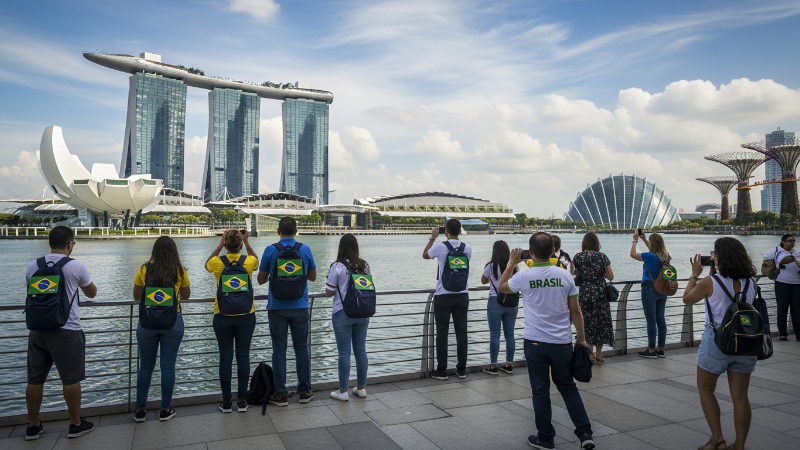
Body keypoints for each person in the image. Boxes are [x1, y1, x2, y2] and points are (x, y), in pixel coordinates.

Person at [499, 232, 594, 450]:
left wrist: (512, 262)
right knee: (568, 388)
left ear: (530, 252)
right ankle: (585, 433)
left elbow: (502, 287)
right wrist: (581, 339)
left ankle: (546, 438)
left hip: (535, 343)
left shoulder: (524, 276)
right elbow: (576, 311)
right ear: (553, 251)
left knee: (540, 391)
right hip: (562, 342)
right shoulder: (564, 275)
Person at [683, 237, 758, 450]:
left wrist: (694, 275)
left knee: (706, 389)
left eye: (714, 253)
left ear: (721, 257)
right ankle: (740, 446)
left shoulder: (709, 282)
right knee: (741, 397)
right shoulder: (751, 281)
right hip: (745, 342)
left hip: (717, 341)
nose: (711, 256)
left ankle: (718, 439)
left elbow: (687, 298)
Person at [25, 226, 98, 440]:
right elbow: (92, 293)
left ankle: (33, 426)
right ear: (69, 244)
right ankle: (75, 425)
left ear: (49, 243)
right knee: (70, 379)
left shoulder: (33, 265)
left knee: (35, 379)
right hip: (67, 330)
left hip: (37, 330)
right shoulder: (75, 266)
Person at [257, 217, 316, 405]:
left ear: (278, 231)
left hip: (277, 308)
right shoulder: (305, 249)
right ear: (296, 231)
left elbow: (260, 280)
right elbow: (313, 277)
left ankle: (281, 394)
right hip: (300, 307)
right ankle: (305, 391)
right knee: (301, 349)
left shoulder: (270, 250)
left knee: (279, 350)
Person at [133, 236, 190, 422]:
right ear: (174, 251)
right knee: (168, 366)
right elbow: (187, 296)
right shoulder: (179, 271)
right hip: (173, 321)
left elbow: (136, 296)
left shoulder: (144, 269)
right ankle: (165, 410)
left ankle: (140, 411)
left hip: (147, 322)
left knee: (146, 367)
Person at [206, 229, 259, 413]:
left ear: (226, 244)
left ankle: (227, 402)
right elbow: (257, 262)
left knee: (225, 358)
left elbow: (207, 265)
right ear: (241, 245)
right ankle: (242, 401)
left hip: (222, 315)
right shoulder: (249, 261)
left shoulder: (217, 262)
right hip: (246, 314)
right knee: (243, 357)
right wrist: (248, 243)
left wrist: (219, 245)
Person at [423, 218, 473, 380]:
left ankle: (442, 370)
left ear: (446, 232)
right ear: (460, 231)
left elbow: (425, 255)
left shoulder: (440, 246)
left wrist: (432, 238)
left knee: (442, 333)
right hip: (462, 294)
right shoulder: (468, 248)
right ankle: (462, 369)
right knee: (462, 332)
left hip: (443, 295)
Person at [324, 234, 371, 401]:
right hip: (362, 312)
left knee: (344, 352)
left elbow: (329, 292)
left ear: (341, 247)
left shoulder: (337, 266)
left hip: (342, 312)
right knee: (360, 350)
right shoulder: (364, 265)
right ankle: (361, 388)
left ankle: (343, 391)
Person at [572, 232, 614, 364]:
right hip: (600, 294)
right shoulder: (602, 257)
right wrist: (600, 273)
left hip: (585, 294)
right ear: (597, 243)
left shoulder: (578, 257)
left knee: (586, 323)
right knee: (601, 324)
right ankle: (598, 356)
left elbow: (574, 274)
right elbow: (611, 276)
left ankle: (589, 354)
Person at [480, 240, 519, 375]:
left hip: (494, 301)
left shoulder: (490, 266)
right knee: (510, 335)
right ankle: (508, 364)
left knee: (494, 335)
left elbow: (483, 280)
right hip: (512, 302)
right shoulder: (514, 267)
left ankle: (493, 366)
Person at [630, 231, 670, 358]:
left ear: (653, 244)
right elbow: (654, 252)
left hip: (649, 288)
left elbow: (632, 254)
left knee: (651, 320)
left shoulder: (649, 256)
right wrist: (645, 239)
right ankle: (660, 349)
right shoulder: (665, 256)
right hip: (663, 289)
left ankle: (651, 350)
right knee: (661, 319)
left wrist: (635, 240)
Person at [766, 234, 800, 341]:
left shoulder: (797, 253)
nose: (792, 243)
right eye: (790, 241)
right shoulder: (778, 251)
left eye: (793, 241)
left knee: (797, 310)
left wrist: (794, 258)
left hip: (797, 284)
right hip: (782, 283)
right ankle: (783, 333)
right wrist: (794, 259)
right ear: (783, 242)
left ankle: (798, 333)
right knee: (782, 309)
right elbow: (784, 260)